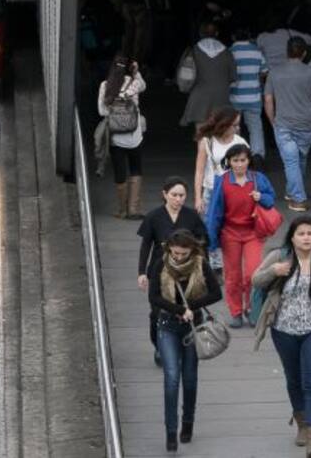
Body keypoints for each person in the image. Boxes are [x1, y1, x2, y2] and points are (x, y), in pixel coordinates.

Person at [252, 216, 311, 458]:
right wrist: (273, 271)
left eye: (310, 233)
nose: (306, 238)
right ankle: (302, 422)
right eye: (301, 234)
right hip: (283, 330)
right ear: (292, 238)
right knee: (294, 379)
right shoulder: (279, 257)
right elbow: (255, 280)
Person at [148, 229, 221, 453]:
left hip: (193, 326)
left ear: (192, 250)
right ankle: (171, 432)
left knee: (189, 378)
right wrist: (179, 310)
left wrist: (192, 307)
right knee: (171, 377)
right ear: (169, 249)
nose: (179, 257)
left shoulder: (200, 264)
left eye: (183, 253)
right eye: (175, 253)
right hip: (167, 324)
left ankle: (188, 422)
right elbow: (154, 297)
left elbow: (216, 293)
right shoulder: (161, 264)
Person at [204, 143, 276, 328]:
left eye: (243, 160)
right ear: (229, 161)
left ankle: (251, 309)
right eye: (235, 160)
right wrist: (211, 239)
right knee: (233, 276)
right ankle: (236, 311)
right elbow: (214, 212)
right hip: (230, 234)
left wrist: (261, 197)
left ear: (248, 161)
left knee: (253, 274)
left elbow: (271, 199)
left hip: (253, 232)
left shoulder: (258, 178)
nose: (239, 164)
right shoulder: (222, 181)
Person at [137, 177, 207, 366]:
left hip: (187, 271)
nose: (178, 199)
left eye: (182, 195)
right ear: (165, 194)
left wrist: (203, 269)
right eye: (174, 195)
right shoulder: (154, 216)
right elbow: (146, 245)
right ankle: (159, 346)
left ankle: (182, 346)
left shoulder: (191, 216)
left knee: (186, 309)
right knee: (157, 312)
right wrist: (141, 272)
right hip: (159, 270)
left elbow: (202, 243)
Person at [264, 36, 311, 212]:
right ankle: (294, 194)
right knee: (299, 160)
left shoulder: (274, 72)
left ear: (287, 52)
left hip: (283, 123)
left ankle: (297, 197)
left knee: (292, 162)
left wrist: (273, 121)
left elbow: (268, 100)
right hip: (307, 123)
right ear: (304, 53)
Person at [97, 53, 146, 220]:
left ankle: (122, 210)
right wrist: (136, 72)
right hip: (135, 136)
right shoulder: (134, 83)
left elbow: (102, 111)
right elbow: (144, 86)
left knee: (120, 172)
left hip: (116, 137)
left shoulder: (105, 85)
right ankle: (134, 210)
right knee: (136, 169)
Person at [178, 21, 236, 128]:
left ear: (200, 33)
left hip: (199, 98)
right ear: (217, 33)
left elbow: (184, 75)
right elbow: (233, 77)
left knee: (201, 131)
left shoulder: (193, 50)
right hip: (222, 98)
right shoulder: (227, 52)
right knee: (219, 132)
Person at [192, 107, 247, 215]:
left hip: (234, 190)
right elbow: (199, 171)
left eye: (238, 125)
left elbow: (247, 169)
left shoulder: (240, 142)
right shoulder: (207, 141)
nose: (238, 128)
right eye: (234, 125)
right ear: (224, 124)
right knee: (210, 224)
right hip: (212, 189)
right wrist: (198, 198)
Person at [228, 24, 268, 164]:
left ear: (233, 37)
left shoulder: (229, 52)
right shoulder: (257, 51)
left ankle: (236, 157)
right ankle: (257, 156)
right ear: (249, 36)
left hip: (234, 98)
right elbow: (264, 72)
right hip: (254, 97)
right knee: (255, 128)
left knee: (233, 128)